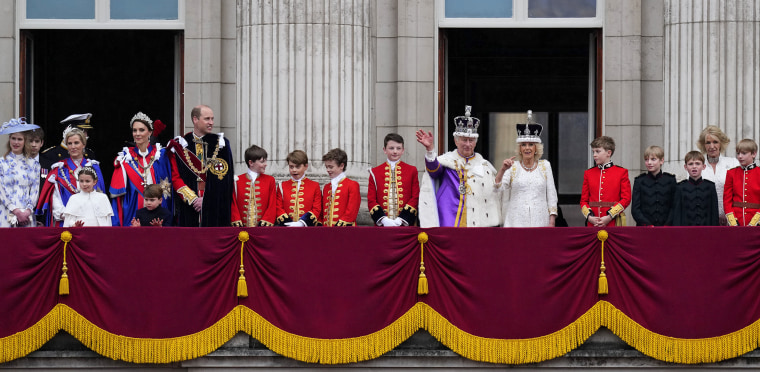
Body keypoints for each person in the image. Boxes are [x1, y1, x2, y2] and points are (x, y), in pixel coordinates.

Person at [416, 105, 501, 227]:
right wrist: (430, 150)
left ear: (475, 143)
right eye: (464, 140)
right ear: (456, 141)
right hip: (450, 217)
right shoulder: (447, 161)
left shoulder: (484, 166)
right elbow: (434, 170)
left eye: (471, 140)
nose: (467, 144)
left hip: (477, 220)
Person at [110, 112, 198, 226]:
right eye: (134, 130)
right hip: (133, 209)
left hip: (158, 210)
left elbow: (173, 181)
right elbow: (118, 197)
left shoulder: (162, 155)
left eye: (141, 130)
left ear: (150, 132)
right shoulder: (125, 158)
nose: (137, 134)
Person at [167, 105, 234, 227]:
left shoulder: (222, 144)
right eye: (207, 119)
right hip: (189, 206)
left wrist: (206, 199)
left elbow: (225, 179)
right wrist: (193, 199)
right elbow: (175, 177)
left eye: (212, 119)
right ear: (195, 119)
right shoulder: (180, 145)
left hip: (214, 206)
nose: (211, 123)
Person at [494, 117, 558, 227]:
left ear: (536, 148)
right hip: (516, 221)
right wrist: (503, 169)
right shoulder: (513, 167)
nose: (527, 148)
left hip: (540, 220)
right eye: (523, 144)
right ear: (519, 148)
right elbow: (497, 188)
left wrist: (551, 221)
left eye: (531, 144)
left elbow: (551, 195)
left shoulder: (545, 165)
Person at [37, 126, 106, 227]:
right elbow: (55, 200)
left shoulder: (93, 167)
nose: (73, 147)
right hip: (65, 222)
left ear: (83, 144)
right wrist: (70, 218)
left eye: (76, 143)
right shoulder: (59, 169)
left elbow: (100, 197)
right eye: (69, 143)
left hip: (90, 223)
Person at [367, 133, 420, 227]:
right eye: (391, 148)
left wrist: (402, 219)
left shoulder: (412, 170)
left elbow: (415, 197)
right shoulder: (374, 172)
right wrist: (383, 220)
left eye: (398, 148)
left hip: (404, 225)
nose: (395, 151)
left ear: (403, 150)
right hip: (382, 226)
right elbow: (371, 200)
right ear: (384, 150)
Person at [580, 136, 631, 227]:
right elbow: (583, 201)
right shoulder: (588, 173)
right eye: (593, 152)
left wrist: (610, 216)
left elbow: (626, 199)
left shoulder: (621, 172)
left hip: (613, 222)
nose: (594, 155)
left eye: (598, 151)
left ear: (609, 153)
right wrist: (589, 217)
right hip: (592, 223)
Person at [0, 118, 41, 227]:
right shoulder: (1, 163)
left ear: (25, 141)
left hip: (27, 215)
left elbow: (35, 191)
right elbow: (1, 190)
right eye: (13, 138)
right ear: (9, 139)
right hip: (6, 213)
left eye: (19, 139)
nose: (16, 142)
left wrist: (27, 211)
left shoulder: (34, 165)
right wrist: (15, 210)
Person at [696, 125, 740, 225]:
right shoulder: (697, 165)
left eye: (715, 142)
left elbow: (738, 193)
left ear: (721, 143)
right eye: (708, 142)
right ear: (703, 145)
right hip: (705, 219)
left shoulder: (733, 163)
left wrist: (728, 214)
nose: (712, 146)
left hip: (731, 219)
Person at [231, 145, 277, 227]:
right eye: (262, 162)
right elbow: (233, 203)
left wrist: (267, 220)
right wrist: (236, 219)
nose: (266, 164)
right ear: (251, 163)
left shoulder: (270, 180)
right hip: (241, 228)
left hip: (263, 229)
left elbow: (272, 203)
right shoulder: (237, 180)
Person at [631, 146, 677, 226]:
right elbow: (635, 209)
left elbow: (674, 206)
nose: (649, 163)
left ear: (661, 161)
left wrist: (667, 225)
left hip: (666, 228)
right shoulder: (639, 181)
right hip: (645, 229)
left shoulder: (670, 180)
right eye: (646, 159)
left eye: (653, 159)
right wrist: (647, 225)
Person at [275, 150, 322, 226]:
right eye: (291, 167)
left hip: (307, 229)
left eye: (297, 167)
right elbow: (278, 207)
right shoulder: (282, 186)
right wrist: (288, 223)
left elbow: (317, 209)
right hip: (286, 228)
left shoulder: (315, 186)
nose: (294, 170)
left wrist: (302, 223)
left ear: (306, 166)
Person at [673, 151, 719, 226]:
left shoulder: (710, 186)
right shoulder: (680, 187)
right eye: (690, 164)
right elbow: (677, 214)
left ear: (703, 166)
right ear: (685, 167)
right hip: (686, 230)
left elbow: (714, 212)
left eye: (697, 163)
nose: (694, 166)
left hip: (706, 230)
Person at [724, 139, 760, 226]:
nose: (739, 156)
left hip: (756, 221)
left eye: (744, 153)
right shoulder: (731, 173)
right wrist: (732, 221)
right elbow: (727, 199)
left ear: (754, 154)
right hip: (736, 221)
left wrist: (755, 221)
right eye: (738, 153)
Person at [321, 148, 361, 226]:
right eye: (326, 167)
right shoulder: (326, 187)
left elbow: (351, 212)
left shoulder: (352, 185)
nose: (328, 170)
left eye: (331, 167)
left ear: (341, 166)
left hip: (345, 231)